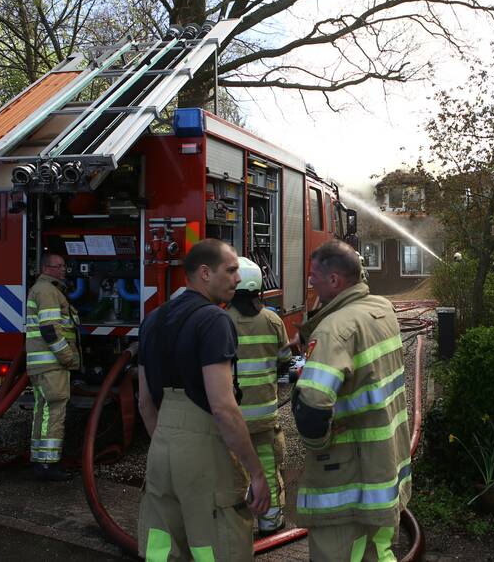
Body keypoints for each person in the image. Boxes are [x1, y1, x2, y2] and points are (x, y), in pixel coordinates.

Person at [137, 239, 270, 562]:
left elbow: (144, 401)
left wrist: (168, 443)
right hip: (201, 447)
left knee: (164, 545)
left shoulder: (152, 320)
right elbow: (223, 407)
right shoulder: (214, 320)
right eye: (232, 270)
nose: (238, 280)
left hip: (162, 447)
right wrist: (256, 472)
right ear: (205, 273)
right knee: (218, 542)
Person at [292, 240, 412, 561]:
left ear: (334, 281)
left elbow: (312, 406)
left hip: (346, 475)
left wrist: (318, 445)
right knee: (378, 551)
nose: (310, 282)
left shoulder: (335, 329)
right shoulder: (382, 309)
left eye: (314, 275)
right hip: (384, 466)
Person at [226, 257, 293, 535]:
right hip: (265, 416)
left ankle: (235, 529)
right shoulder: (273, 320)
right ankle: (271, 522)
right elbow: (285, 362)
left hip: (231, 418)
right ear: (259, 289)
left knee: (232, 474)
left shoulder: (221, 320)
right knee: (267, 468)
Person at [25, 251, 80, 481]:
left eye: (64, 265)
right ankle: (49, 465)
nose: (63, 269)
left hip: (42, 366)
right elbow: (50, 329)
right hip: (52, 364)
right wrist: (67, 357)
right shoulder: (48, 291)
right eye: (59, 266)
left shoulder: (43, 289)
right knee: (54, 411)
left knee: (43, 411)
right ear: (46, 268)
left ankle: (40, 460)